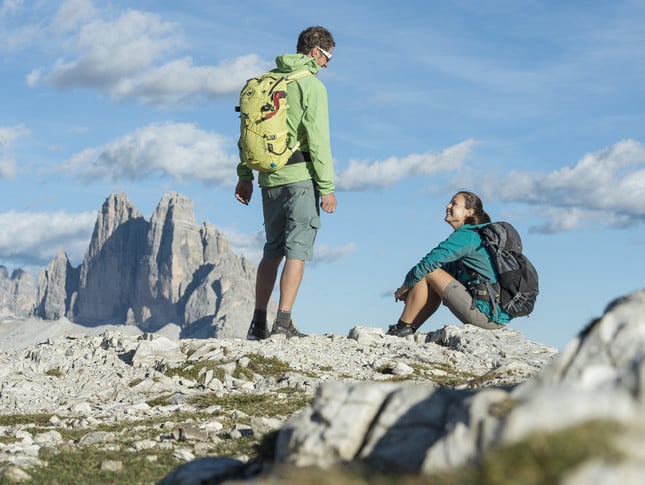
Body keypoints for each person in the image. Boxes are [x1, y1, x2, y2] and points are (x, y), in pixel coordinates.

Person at [235, 26, 337, 339]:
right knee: (297, 250)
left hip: (268, 178)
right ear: (316, 51)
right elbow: (319, 141)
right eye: (328, 57)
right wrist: (328, 188)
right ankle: (283, 322)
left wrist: (244, 176)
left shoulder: (267, 81)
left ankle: (257, 323)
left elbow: (248, 133)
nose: (328, 65)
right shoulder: (311, 86)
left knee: (271, 250)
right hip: (300, 178)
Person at [388, 191, 512, 337]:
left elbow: (428, 264)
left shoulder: (467, 236)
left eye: (454, 203)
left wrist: (404, 287)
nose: (447, 206)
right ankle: (408, 329)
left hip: (486, 315)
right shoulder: (473, 236)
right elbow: (441, 272)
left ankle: (402, 329)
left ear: (468, 212)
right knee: (430, 277)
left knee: (428, 270)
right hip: (493, 314)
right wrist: (412, 287)